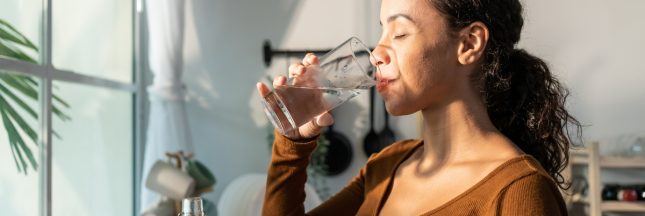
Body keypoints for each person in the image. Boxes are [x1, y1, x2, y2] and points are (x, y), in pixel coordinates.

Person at [256, 0, 582, 215]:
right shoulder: (386, 166)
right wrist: (293, 143)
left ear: (468, 44)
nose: (376, 52)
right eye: (382, 30)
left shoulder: (518, 193)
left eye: (399, 32)